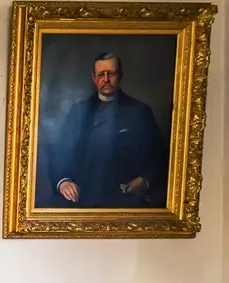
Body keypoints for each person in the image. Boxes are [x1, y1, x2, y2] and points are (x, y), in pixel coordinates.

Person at [49, 52, 166, 208]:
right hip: (84, 199)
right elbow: (60, 152)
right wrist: (63, 182)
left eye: (111, 74)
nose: (106, 79)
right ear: (94, 79)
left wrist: (144, 180)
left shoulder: (139, 111)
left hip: (126, 200)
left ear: (120, 76)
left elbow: (159, 157)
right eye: (101, 75)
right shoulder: (78, 111)